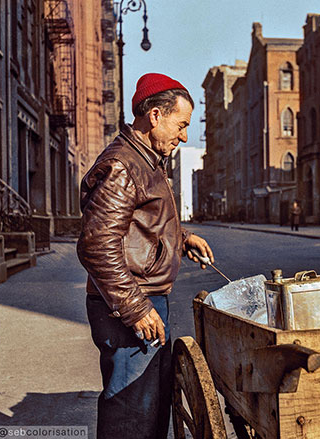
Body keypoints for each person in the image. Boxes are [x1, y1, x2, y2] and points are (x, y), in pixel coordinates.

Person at [76, 73, 214, 439]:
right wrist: (136, 309)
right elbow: (97, 245)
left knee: (150, 405)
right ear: (155, 115)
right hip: (129, 305)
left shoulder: (145, 161)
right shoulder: (123, 165)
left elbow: (136, 224)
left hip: (142, 298)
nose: (184, 135)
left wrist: (182, 238)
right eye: (181, 125)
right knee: (131, 411)